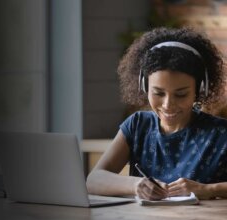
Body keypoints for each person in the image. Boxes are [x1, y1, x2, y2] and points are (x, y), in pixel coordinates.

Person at [86, 27, 227, 200]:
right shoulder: (138, 125)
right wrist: (136, 185)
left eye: (181, 94)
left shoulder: (221, 133)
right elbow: (93, 180)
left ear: (200, 89)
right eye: (158, 93)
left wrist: (209, 190)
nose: (168, 105)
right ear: (145, 87)